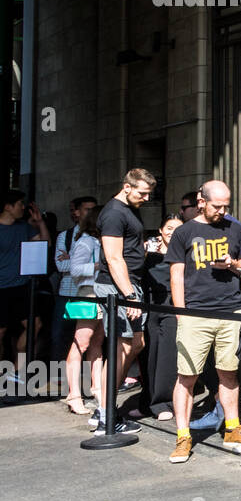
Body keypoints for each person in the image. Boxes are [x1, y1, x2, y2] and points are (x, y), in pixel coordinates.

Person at [166, 180, 241, 462]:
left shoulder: (234, 228)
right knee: (187, 376)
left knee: (229, 372)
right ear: (201, 201)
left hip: (230, 310)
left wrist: (233, 264)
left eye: (227, 205)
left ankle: (232, 427)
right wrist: (182, 314)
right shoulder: (184, 232)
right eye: (217, 206)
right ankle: (183, 436)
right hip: (196, 312)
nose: (223, 211)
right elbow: (176, 275)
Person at [91, 170, 153, 435]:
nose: (146, 198)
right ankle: (105, 414)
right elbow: (114, 258)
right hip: (119, 288)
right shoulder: (114, 213)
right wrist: (129, 294)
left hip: (131, 285)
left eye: (149, 193)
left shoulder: (130, 208)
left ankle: (104, 409)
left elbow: (128, 249)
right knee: (122, 348)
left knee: (135, 344)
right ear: (126, 187)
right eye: (142, 192)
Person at [0, 189, 51, 376]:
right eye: (20, 204)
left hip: (23, 287)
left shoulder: (24, 227)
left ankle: (16, 369)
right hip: (1, 288)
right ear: (8, 207)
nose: (23, 207)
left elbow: (44, 246)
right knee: (1, 332)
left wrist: (40, 223)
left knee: (34, 326)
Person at [137, 216, 182, 421]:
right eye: (169, 228)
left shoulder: (185, 256)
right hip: (150, 308)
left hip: (172, 309)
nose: (172, 232)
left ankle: (163, 403)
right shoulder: (148, 254)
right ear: (161, 231)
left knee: (167, 356)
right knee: (148, 355)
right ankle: (147, 401)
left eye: (177, 229)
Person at [53, 196, 97, 395]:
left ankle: (86, 381)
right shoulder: (66, 236)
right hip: (67, 292)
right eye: (86, 209)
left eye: (93, 209)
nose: (90, 213)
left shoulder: (96, 238)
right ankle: (60, 379)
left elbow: (70, 265)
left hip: (88, 292)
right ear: (76, 211)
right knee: (62, 336)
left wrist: (71, 259)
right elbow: (62, 265)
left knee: (90, 341)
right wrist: (80, 263)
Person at [62, 206, 104, 415]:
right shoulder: (86, 241)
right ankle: (74, 394)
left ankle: (96, 388)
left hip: (102, 294)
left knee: (96, 343)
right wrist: (99, 265)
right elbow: (75, 269)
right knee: (82, 342)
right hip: (89, 294)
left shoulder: (94, 240)